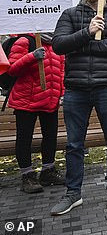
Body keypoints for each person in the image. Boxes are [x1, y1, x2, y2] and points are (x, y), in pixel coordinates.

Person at [51, 0, 107, 215]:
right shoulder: (70, 15)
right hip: (76, 89)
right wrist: (87, 32)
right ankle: (73, 193)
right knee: (74, 144)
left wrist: (79, 46)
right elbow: (58, 44)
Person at [7, 33, 65, 193]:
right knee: (25, 138)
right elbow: (12, 69)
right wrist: (32, 56)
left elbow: (61, 72)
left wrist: (62, 92)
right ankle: (27, 176)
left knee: (50, 136)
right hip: (26, 101)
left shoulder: (56, 44)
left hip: (50, 100)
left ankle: (48, 171)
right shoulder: (24, 41)